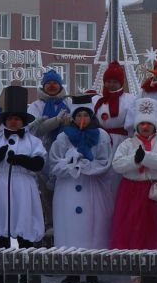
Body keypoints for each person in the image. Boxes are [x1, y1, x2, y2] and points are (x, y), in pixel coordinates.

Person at [0, 86, 47, 253]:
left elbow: (39, 163)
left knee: (25, 226)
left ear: (23, 121)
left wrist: (21, 160)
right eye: (10, 118)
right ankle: (0, 274)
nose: (13, 121)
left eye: (17, 118)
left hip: (23, 186)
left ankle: (27, 274)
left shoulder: (32, 141)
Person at [110, 97, 157, 251]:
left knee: (156, 227)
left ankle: (156, 267)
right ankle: (135, 272)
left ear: (155, 126)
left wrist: (145, 157)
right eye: (142, 123)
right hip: (131, 191)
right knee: (133, 227)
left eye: (149, 124)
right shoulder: (127, 144)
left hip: (155, 190)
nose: (145, 127)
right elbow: (117, 165)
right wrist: (135, 160)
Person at [48, 98, 113, 249]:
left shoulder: (101, 135)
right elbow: (54, 163)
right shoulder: (64, 136)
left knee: (93, 225)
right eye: (79, 115)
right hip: (68, 187)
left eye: (86, 115)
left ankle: (92, 265)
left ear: (91, 117)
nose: (82, 119)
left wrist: (87, 165)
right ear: (73, 117)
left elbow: (105, 162)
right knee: (69, 224)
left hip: (92, 188)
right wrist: (71, 163)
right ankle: (70, 266)